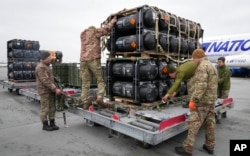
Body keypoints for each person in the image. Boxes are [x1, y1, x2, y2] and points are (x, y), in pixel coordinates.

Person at [175, 48, 218, 156]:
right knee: (210, 124)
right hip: (211, 100)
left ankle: (187, 148)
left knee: (194, 124)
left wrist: (194, 100)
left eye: (193, 59)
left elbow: (201, 86)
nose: (193, 61)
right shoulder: (212, 66)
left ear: (196, 57)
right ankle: (210, 146)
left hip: (202, 101)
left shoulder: (202, 67)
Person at [80, 16, 117, 109]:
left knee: (85, 82)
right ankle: (100, 97)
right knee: (100, 79)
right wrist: (112, 21)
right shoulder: (95, 32)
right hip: (93, 59)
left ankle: (85, 102)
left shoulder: (82, 34)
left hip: (83, 60)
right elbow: (106, 29)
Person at [35, 51, 62, 131]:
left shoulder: (46, 66)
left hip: (50, 91)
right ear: (45, 58)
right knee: (45, 108)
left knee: (52, 107)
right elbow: (45, 80)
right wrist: (55, 89)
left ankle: (52, 122)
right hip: (44, 91)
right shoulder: (40, 67)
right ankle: (45, 125)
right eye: (49, 57)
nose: (51, 59)